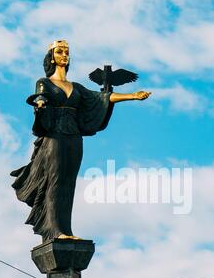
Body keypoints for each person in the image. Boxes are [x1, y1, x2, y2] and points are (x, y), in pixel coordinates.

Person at [11, 40, 151, 241]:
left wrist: (133, 96)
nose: (64, 55)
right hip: (54, 136)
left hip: (73, 136)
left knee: (69, 183)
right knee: (56, 181)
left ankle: (65, 231)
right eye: (59, 52)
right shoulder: (45, 81)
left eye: (67, 52)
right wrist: (40, 103)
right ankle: (53, 230)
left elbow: (102, 98)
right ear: (51, 57)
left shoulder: (76, 87)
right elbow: (41, 95)